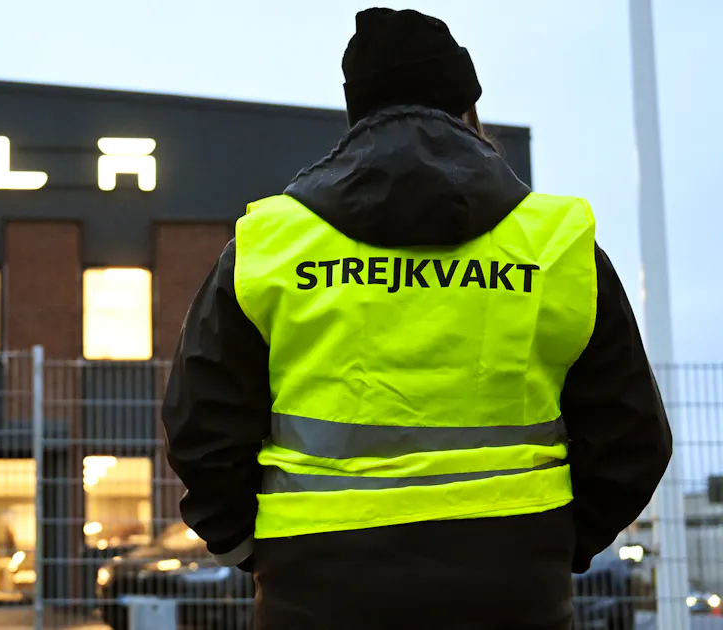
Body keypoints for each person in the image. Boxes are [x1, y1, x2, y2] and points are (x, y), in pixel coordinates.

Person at [161, 8, 673, 630]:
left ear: (357, 111)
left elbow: (201, 426)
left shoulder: (270, 244)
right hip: (512, 589)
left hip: (316, 590)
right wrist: (553, 545)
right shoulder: (556, 244)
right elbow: (633, 436)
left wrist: (251, 548)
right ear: (468, 108)